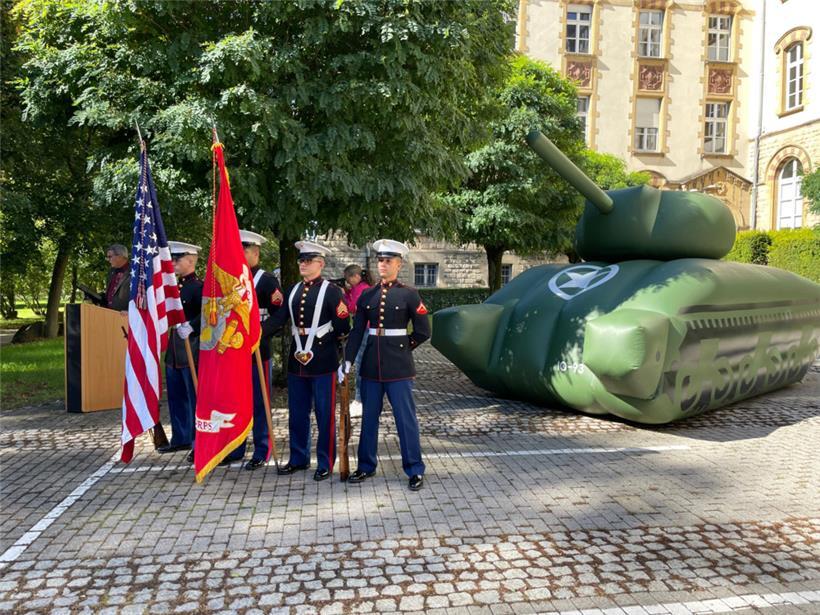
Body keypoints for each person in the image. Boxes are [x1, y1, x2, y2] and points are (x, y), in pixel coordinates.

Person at [340, 239, 430, 491]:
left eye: (388, 260)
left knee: (405, 419)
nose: (383, 264)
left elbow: (423, 331)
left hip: (399, 368)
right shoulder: (368, 294)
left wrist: (403, 347)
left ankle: (414, 469)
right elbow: (357, 332)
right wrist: (347, 360)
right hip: (371, 366)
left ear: (399, 264)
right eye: (380, 260)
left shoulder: (409, 294)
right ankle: (366, 466)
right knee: (369, 418)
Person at [262, 240, 350, 481]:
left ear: (320, 264)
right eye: (301, 260)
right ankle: (298, 458)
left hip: (323, 360)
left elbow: (343, 327)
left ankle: (325, 462)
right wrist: (256, 333)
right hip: (296, 361)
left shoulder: (332, 291)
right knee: (297, 413)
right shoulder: (292, 290)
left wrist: (342, 359)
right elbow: (279, 318)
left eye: (308, 260)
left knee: (324, 413)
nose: (303, 264)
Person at [224, 229, 285, 470]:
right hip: (234, 349)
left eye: (244, 250)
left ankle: (262, 449)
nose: (239, 254)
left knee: (260, 402)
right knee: (237, 401)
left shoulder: (267, 281)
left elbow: (280, 313)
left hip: (258, 350)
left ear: (256, 252)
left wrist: (261, 332)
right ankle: (237, 447)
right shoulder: (230, 279)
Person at [158, 242, 203, 454]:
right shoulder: (174, 287)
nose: (173, 263)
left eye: (178, 259)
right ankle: (181, 437)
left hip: (191, 348)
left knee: (194, 398)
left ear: (191, 260)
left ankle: (198, 441)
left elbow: (208, 313)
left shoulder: (199, 287)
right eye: (172, 259)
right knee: (176, 396)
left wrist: (191, 326)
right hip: (174, 350)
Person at [342, 264, 371, 416]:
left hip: (365, 330)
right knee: (360, 364)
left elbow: (352, 307)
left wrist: (344, 296)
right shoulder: (358, 288)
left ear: (356, 277)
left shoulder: (363, 289)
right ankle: (362, 399)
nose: (348, 282)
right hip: (363, 329)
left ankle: (360, 400)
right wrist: (346, 293)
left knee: (360, 364)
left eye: (349, 279)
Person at [102, 244, 131, 312]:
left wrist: (130, 311)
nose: (108, 260)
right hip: (108, 314)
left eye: (110, 257)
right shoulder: (111, 272)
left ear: (120, 256)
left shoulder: (134, 272)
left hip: (125, 316)